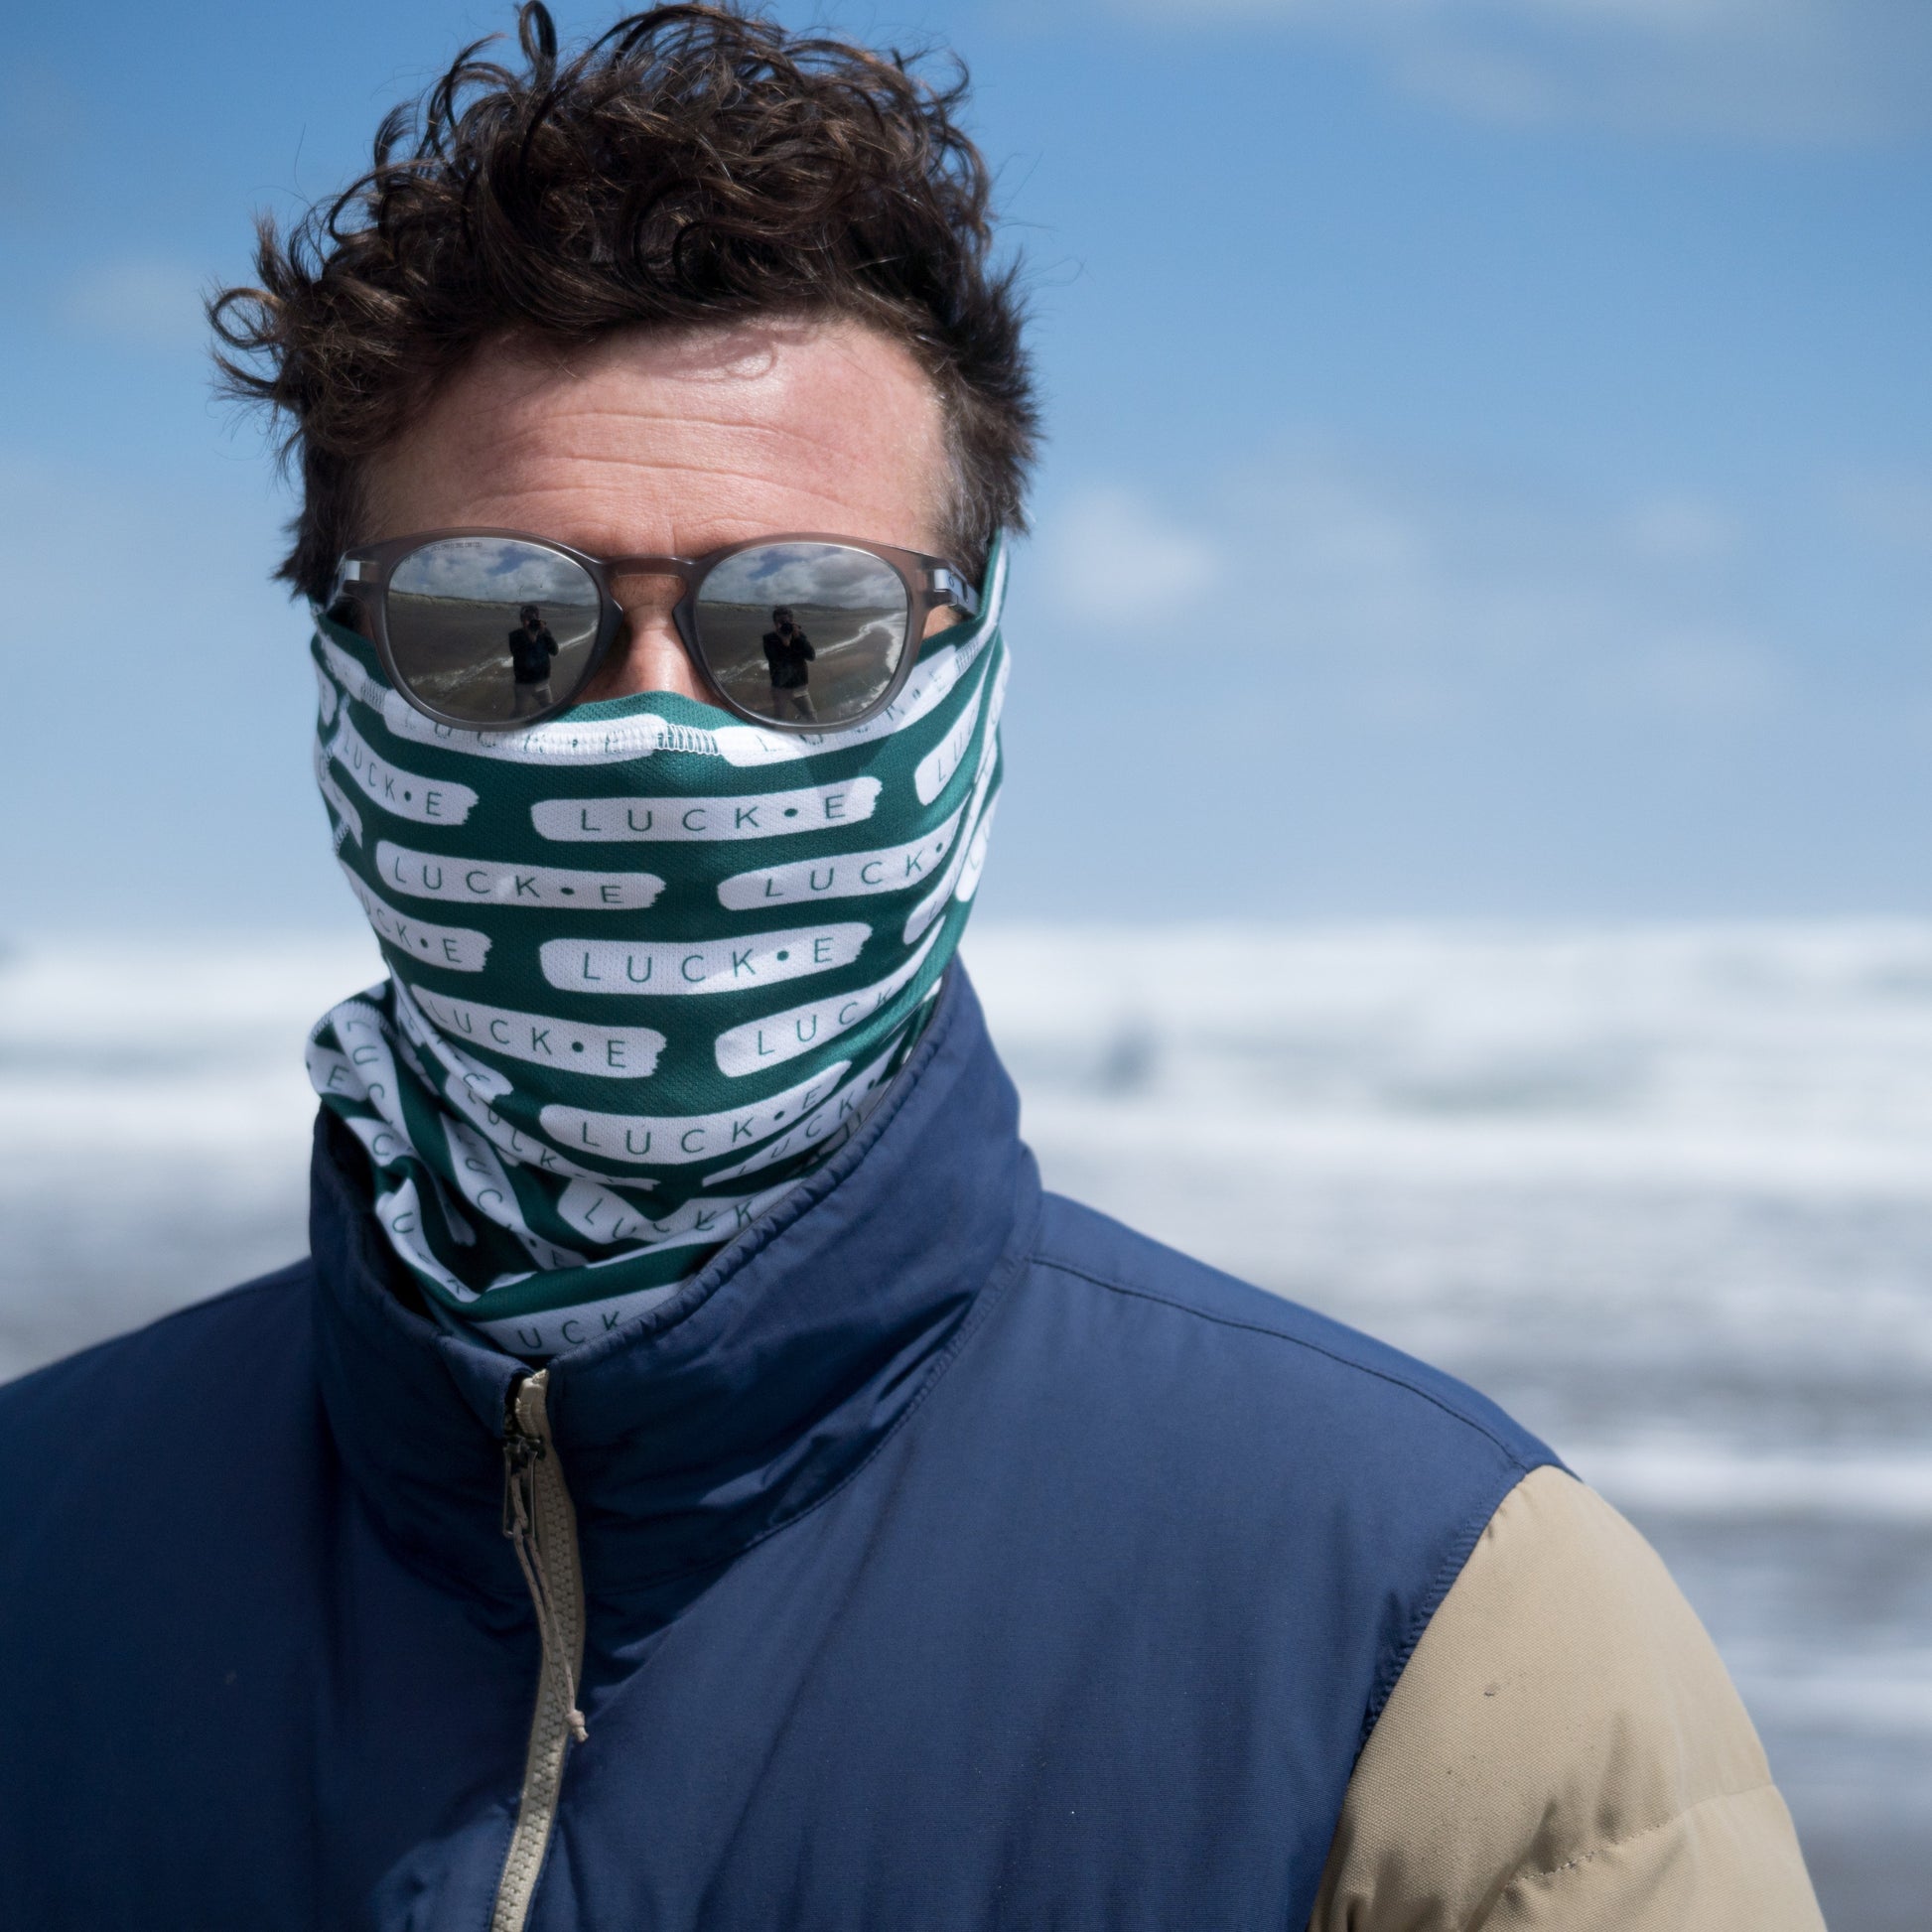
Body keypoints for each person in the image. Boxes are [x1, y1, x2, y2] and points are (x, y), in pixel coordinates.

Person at [0, 9, 1826, 1930]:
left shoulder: (1436, 1617)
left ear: (970, 675)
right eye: (503, 627)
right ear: (343, 681)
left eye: (799, 634)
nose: (657, 739)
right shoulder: (41, 1546)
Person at [760, 603, 817, 720]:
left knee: (812, 717)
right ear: (775, 623)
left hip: (800, 687)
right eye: (780, 622)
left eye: (786, 622)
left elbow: (811, 656)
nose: (784, 625)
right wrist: (784, 642)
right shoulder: (769, 639)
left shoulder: (799, 636)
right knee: (778, 719)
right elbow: (773, 659)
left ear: (792, 622)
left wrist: (797, 638)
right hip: (780, 688)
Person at [509, 602, 560, 715]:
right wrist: (530, 636)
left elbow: (555, 651)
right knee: (520, 712)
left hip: (543, 684)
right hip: (523, 685)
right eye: (526, 618)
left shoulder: (544, 633)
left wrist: (545, 633)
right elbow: (518, 655)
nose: (529, 622)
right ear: (521, 620)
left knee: (549, 710)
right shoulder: (515, 636)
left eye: (532, 618)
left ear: (537, 619)